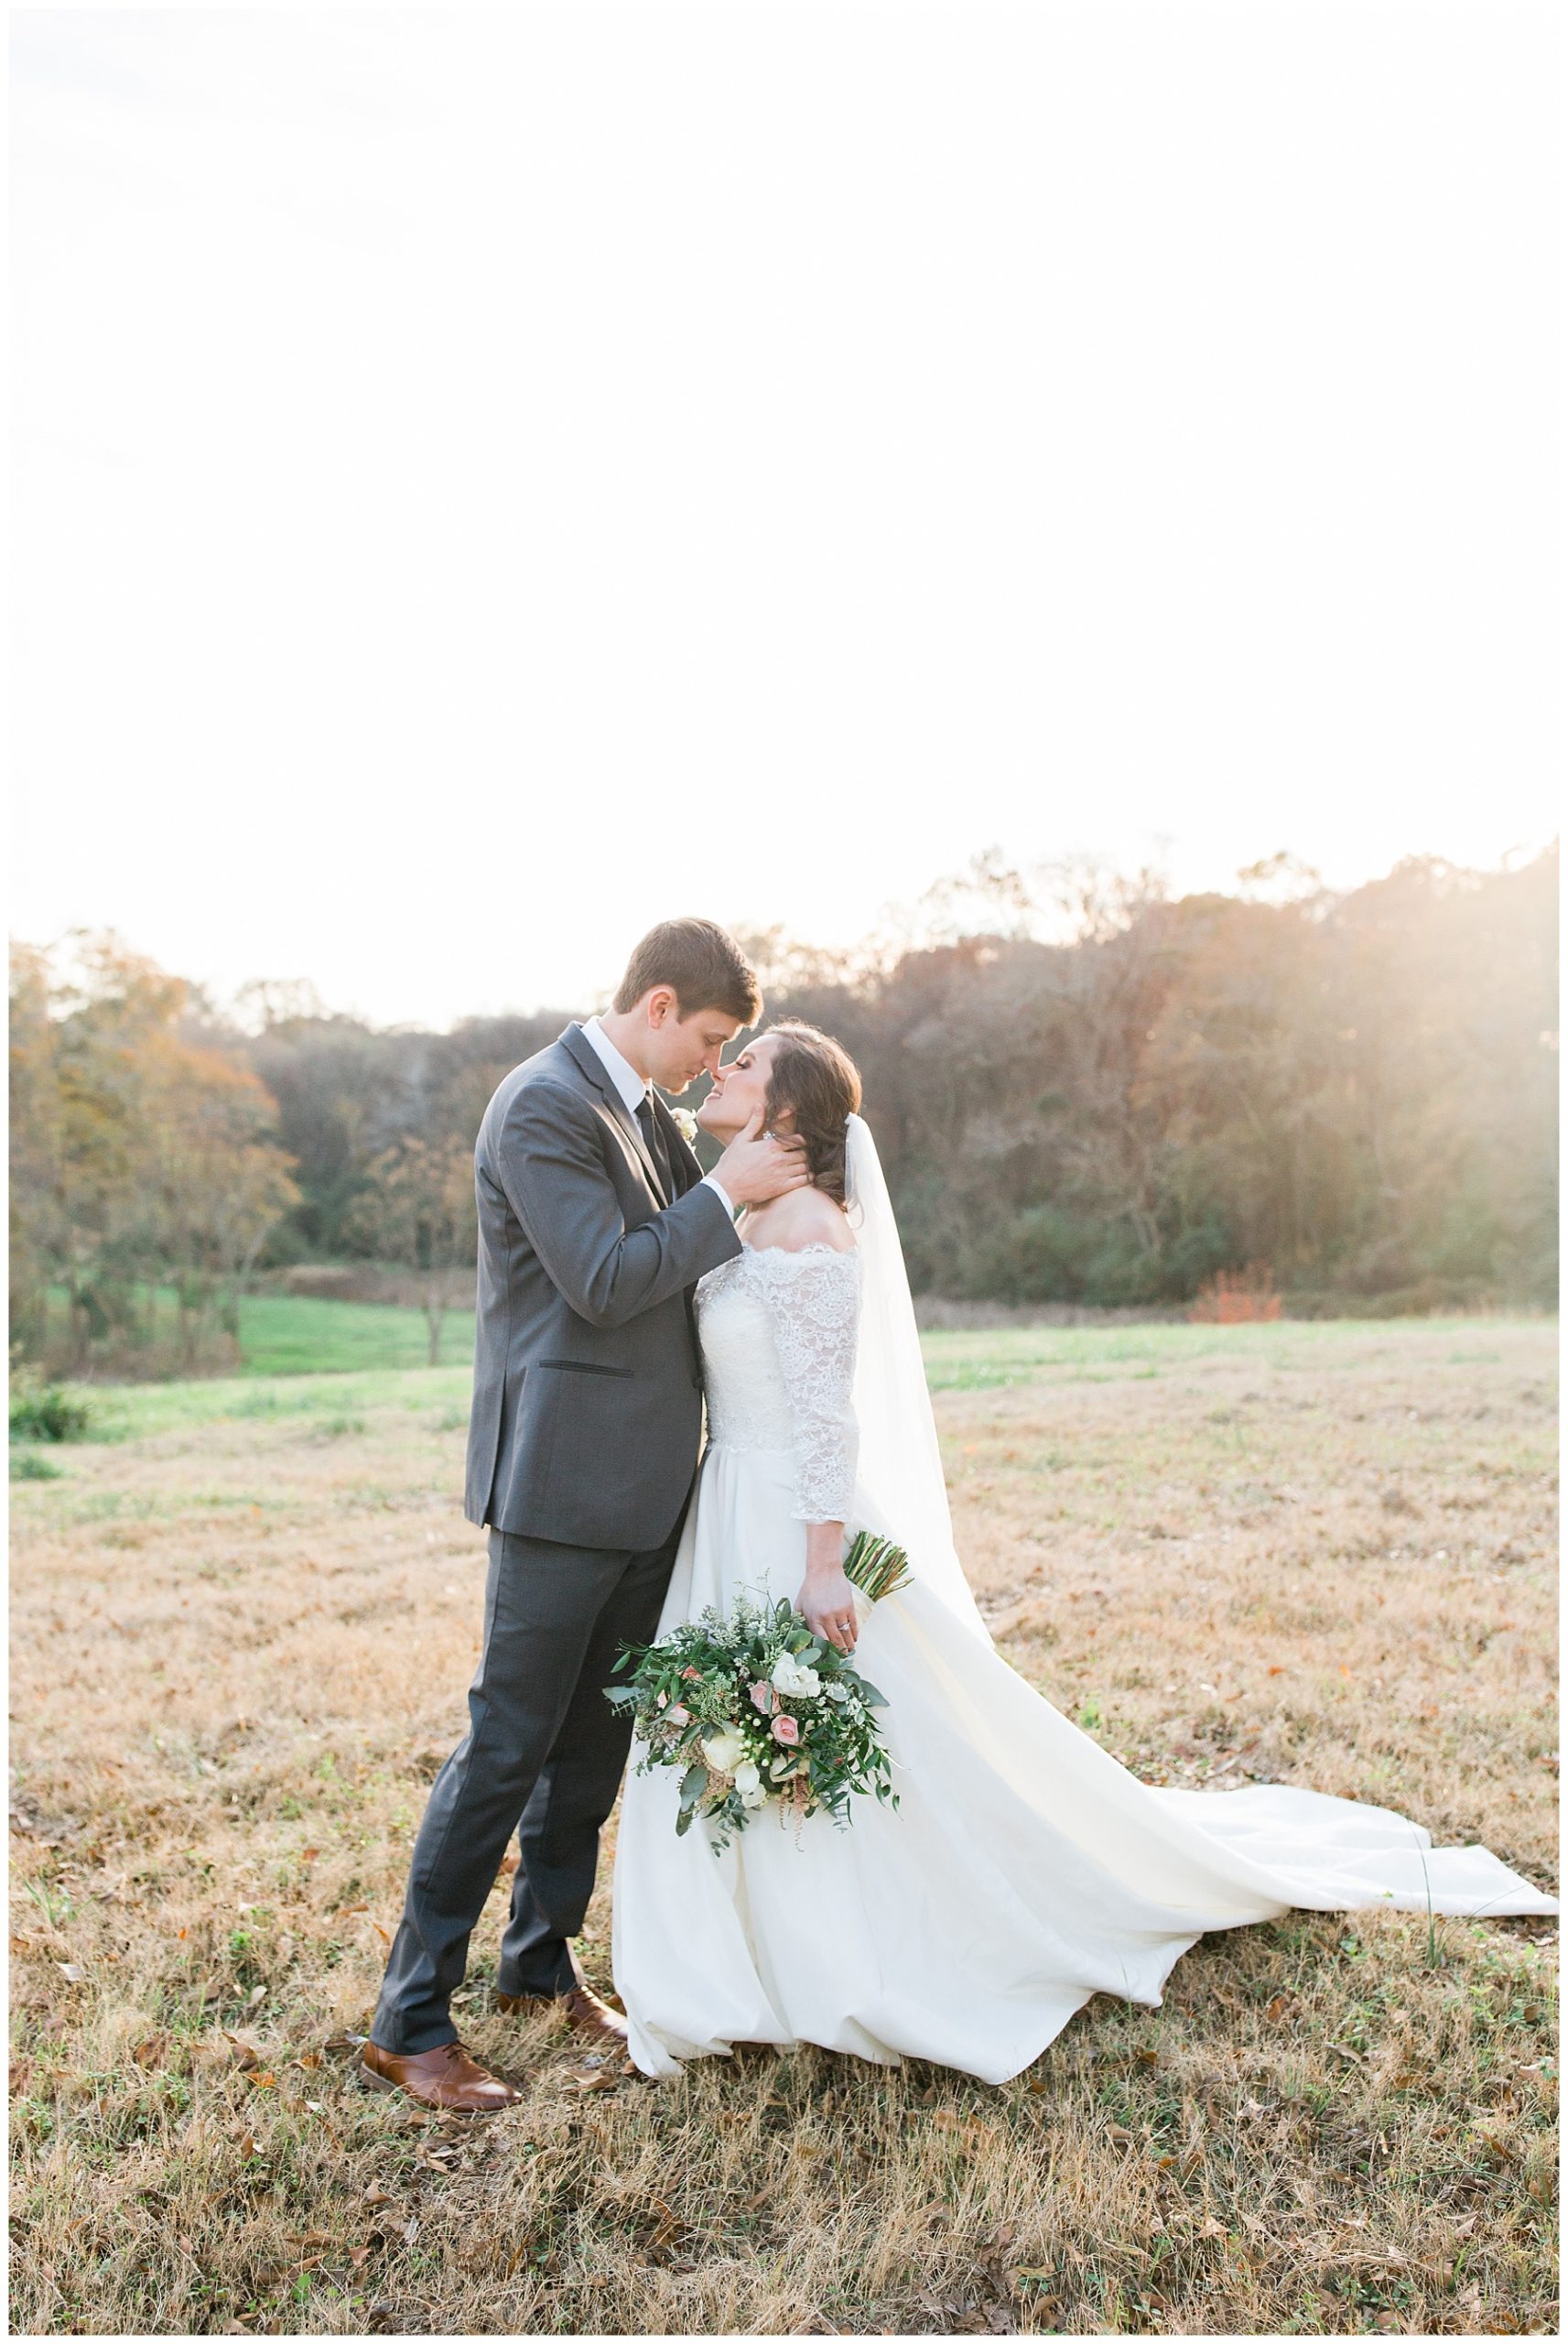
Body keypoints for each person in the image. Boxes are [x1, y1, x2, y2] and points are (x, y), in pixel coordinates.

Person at [610, 1022, 1559, 2084]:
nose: (721, 1071)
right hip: (727, 1498)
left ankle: (840, 1951)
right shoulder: (743, 1215)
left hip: (791, 1514)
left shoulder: (812, 1234)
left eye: (745, 1063)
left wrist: (823, 1562)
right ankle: (735, 1956)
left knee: (835, 1728)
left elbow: (830, 1418)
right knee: (738, 1732)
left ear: (787, 1108)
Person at [361, 920, 809, 2113]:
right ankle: (409, 2021)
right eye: (708, 1040)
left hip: (653, 1489)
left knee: (591, 1752)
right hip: (561, 1488)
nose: (712, 1066)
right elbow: (607, 1279)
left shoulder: (655, 1114)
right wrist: (727, 1194)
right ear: (657, 1005)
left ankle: (536, 1961)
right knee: (508, 1744)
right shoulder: (542, 1107)